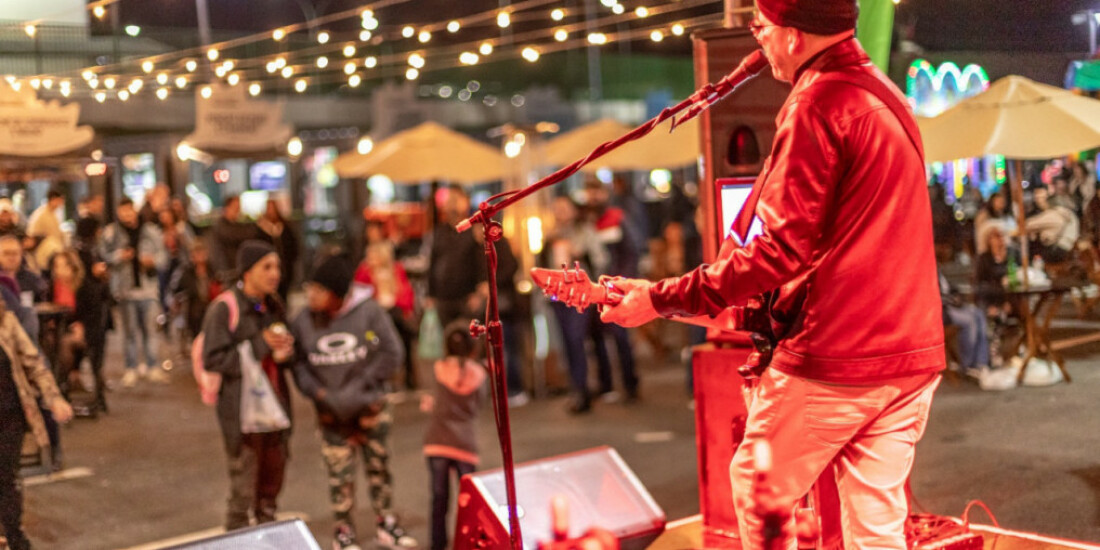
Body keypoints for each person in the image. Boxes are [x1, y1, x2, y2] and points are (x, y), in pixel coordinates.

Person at [600, 3, 945, 547]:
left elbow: (776, 254)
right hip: (912, 350)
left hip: (840, 356)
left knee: (760, 489)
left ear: (793, 35)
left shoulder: (816, 103)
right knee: (876, 525)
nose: (756, 38)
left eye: (760, 26)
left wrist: (660, 298)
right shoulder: (886, 93)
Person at [290, 253, 416, 550]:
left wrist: (358, 389)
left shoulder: (369, 312)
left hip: (371, 408)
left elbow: (392, 353)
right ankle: (343, 532)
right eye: (310, 288)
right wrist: (321, 394)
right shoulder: (303, 320)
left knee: (379, 469)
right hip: (331, 414)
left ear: (337, 293)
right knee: (339, 477)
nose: (311, 295)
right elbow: (297, 364)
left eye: (318, 290)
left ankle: (386, 524)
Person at [201, 240, 294, 531]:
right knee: (243, 496)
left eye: (277, 267)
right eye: (266, 267)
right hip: (242, 416)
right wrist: (259, 344)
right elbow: (213, 359)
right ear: (248, 271)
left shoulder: (273, 305)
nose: (275, 273)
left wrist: (285, 353)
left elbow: (282, 358)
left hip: (275, 411)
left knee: (270, 493)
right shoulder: (225, 308)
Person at [0, 293, 73, 550]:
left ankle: (14, 536)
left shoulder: (7, 322)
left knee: (6, 476)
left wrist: (54, 398)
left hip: (9, 414)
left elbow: (34, 363)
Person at [421, 321, 487, 550]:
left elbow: (435, 401)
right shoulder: (479, 373)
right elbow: (477, 406)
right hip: (465, 443)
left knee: (439, 499)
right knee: (470, 500)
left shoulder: (438, 368)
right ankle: (471, 543)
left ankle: (437, 544)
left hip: (437, 440)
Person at [543, 195, 609, 414]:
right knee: (567, 344)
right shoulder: (550, 236)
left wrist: (579, 255)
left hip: (580, 296)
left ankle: (583, 390)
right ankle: (577, 388)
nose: (560, 212)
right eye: (556, 208)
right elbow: (543, 266)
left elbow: (601, 261)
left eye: (564, 208)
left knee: (576, 339)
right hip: (558, 298)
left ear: (573, 210)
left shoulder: (585, 232)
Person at [101, 198, 168, 387]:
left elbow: (163, 256)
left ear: (134, 210)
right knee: (129, 332)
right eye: (122, 212)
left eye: (128, 211)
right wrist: (119, 256)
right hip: (125, 289)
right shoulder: (112, 233)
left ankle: (152, 366)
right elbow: (103, 256)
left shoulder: (150, 231)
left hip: (148, 289)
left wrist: (152, 260)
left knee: (150, 330)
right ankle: (131, 367)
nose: (126, 216)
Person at [583, 180, 639, 403]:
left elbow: (631, 252)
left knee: (620, 336)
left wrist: (622, 282)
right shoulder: (586, 221)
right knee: (596, 336)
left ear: (605, 194)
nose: (593, 197)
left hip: (614, 287)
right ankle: (605, 385)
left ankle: (630, 384)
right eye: (590, 192)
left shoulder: (617, 218)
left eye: (596, 192)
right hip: (593, 288)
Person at [354, 241, 417, 390]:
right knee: (374, 341)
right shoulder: (364, 272)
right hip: (373, 316)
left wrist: (404, 308)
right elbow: (359, 295)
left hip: (395, 312)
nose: (370, 259)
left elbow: (406, 292)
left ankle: (409, 377)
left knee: (404, 336)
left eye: (373, 256)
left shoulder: (396, 269)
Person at [426, 186, 483, 327]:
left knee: (467, 334)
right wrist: (430, 294)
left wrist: (478, 293)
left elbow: (481, 262)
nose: (452, 204)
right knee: (447, 335)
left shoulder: (473, 231)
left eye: (456, 200)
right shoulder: (439, 232)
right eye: (450, 200)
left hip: (466, 297)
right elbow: (433, 262)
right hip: (443, 297)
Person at [72, 218, 111, 413]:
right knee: (93, 351)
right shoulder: (82, 251)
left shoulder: (90, 249)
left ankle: (98, 393)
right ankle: (97, 394)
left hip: (96, 306)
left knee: (97, 352)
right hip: (87, 308)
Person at [209, 195, 261, 285]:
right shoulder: (221, 226)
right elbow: (237, 235)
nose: (238, 211)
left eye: (239, 208)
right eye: (235, 208)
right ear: (227, 208)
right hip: (226, 272)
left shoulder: (236, 225)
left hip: (236, 271)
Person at [257, 198, 299, 302]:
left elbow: (293, 246)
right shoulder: (260, 229)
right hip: (268, 268)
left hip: (285, 268)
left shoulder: (285, 228)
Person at [1025, 187, 1079, 264]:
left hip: (1057, 250)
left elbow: (1028, 225)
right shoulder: (1070, 214)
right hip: (1068, 248)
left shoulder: (1055, 214)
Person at [26, 189, 67, 269]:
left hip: (54, 248)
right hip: (44, 251)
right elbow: (33, 236)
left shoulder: (52, 213)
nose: (61, 203)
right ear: (53, 199)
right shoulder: (41, 214)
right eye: (60, 200)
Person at [973, 191, 1016, 256]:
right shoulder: (983, 216)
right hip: (988, 252)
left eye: (1002, 201)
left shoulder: (1005, 216)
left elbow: (1012, 229)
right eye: (998, 201)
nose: (1001, 203)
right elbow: (981, 235)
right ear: (992, 202)